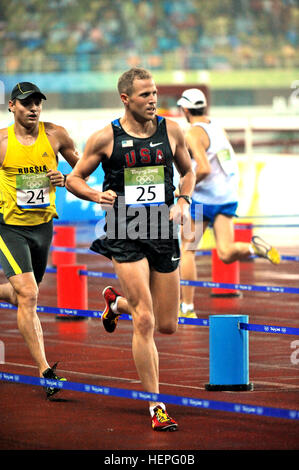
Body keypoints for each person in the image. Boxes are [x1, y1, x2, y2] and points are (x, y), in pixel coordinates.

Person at [66, 67, 195, 431]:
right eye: (144, 95)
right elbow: (74, 178)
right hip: (124, 229)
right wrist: (95, 194)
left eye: (154, 93)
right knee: (146, 319)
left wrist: (184, 199)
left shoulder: (172, 130)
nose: (153, 99)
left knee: (168, 324)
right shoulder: (106, 137)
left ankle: (114, 303)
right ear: (126, 98)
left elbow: (189, 169)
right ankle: (156, 405)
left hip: (161, 228)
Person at [0, 82, 80, 398]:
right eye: (26, 103)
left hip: (43, 226)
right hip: (10, 228)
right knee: (29, 294)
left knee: (22, 296)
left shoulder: (56, 135)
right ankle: (46, 372)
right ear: (12, 106)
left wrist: (67, 179)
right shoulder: (3, 142)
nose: (33, 108)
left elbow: (82, 170)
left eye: (37, 103)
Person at [176, 88, 280, 318]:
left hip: (203, 199)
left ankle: (188, 308)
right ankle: (254, 248)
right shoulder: (216, 127)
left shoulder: (193, 132)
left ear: (185, 109)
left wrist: (185, 188)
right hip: (226, 196)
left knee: (188, 251)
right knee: (224, 252)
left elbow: (203, 168)